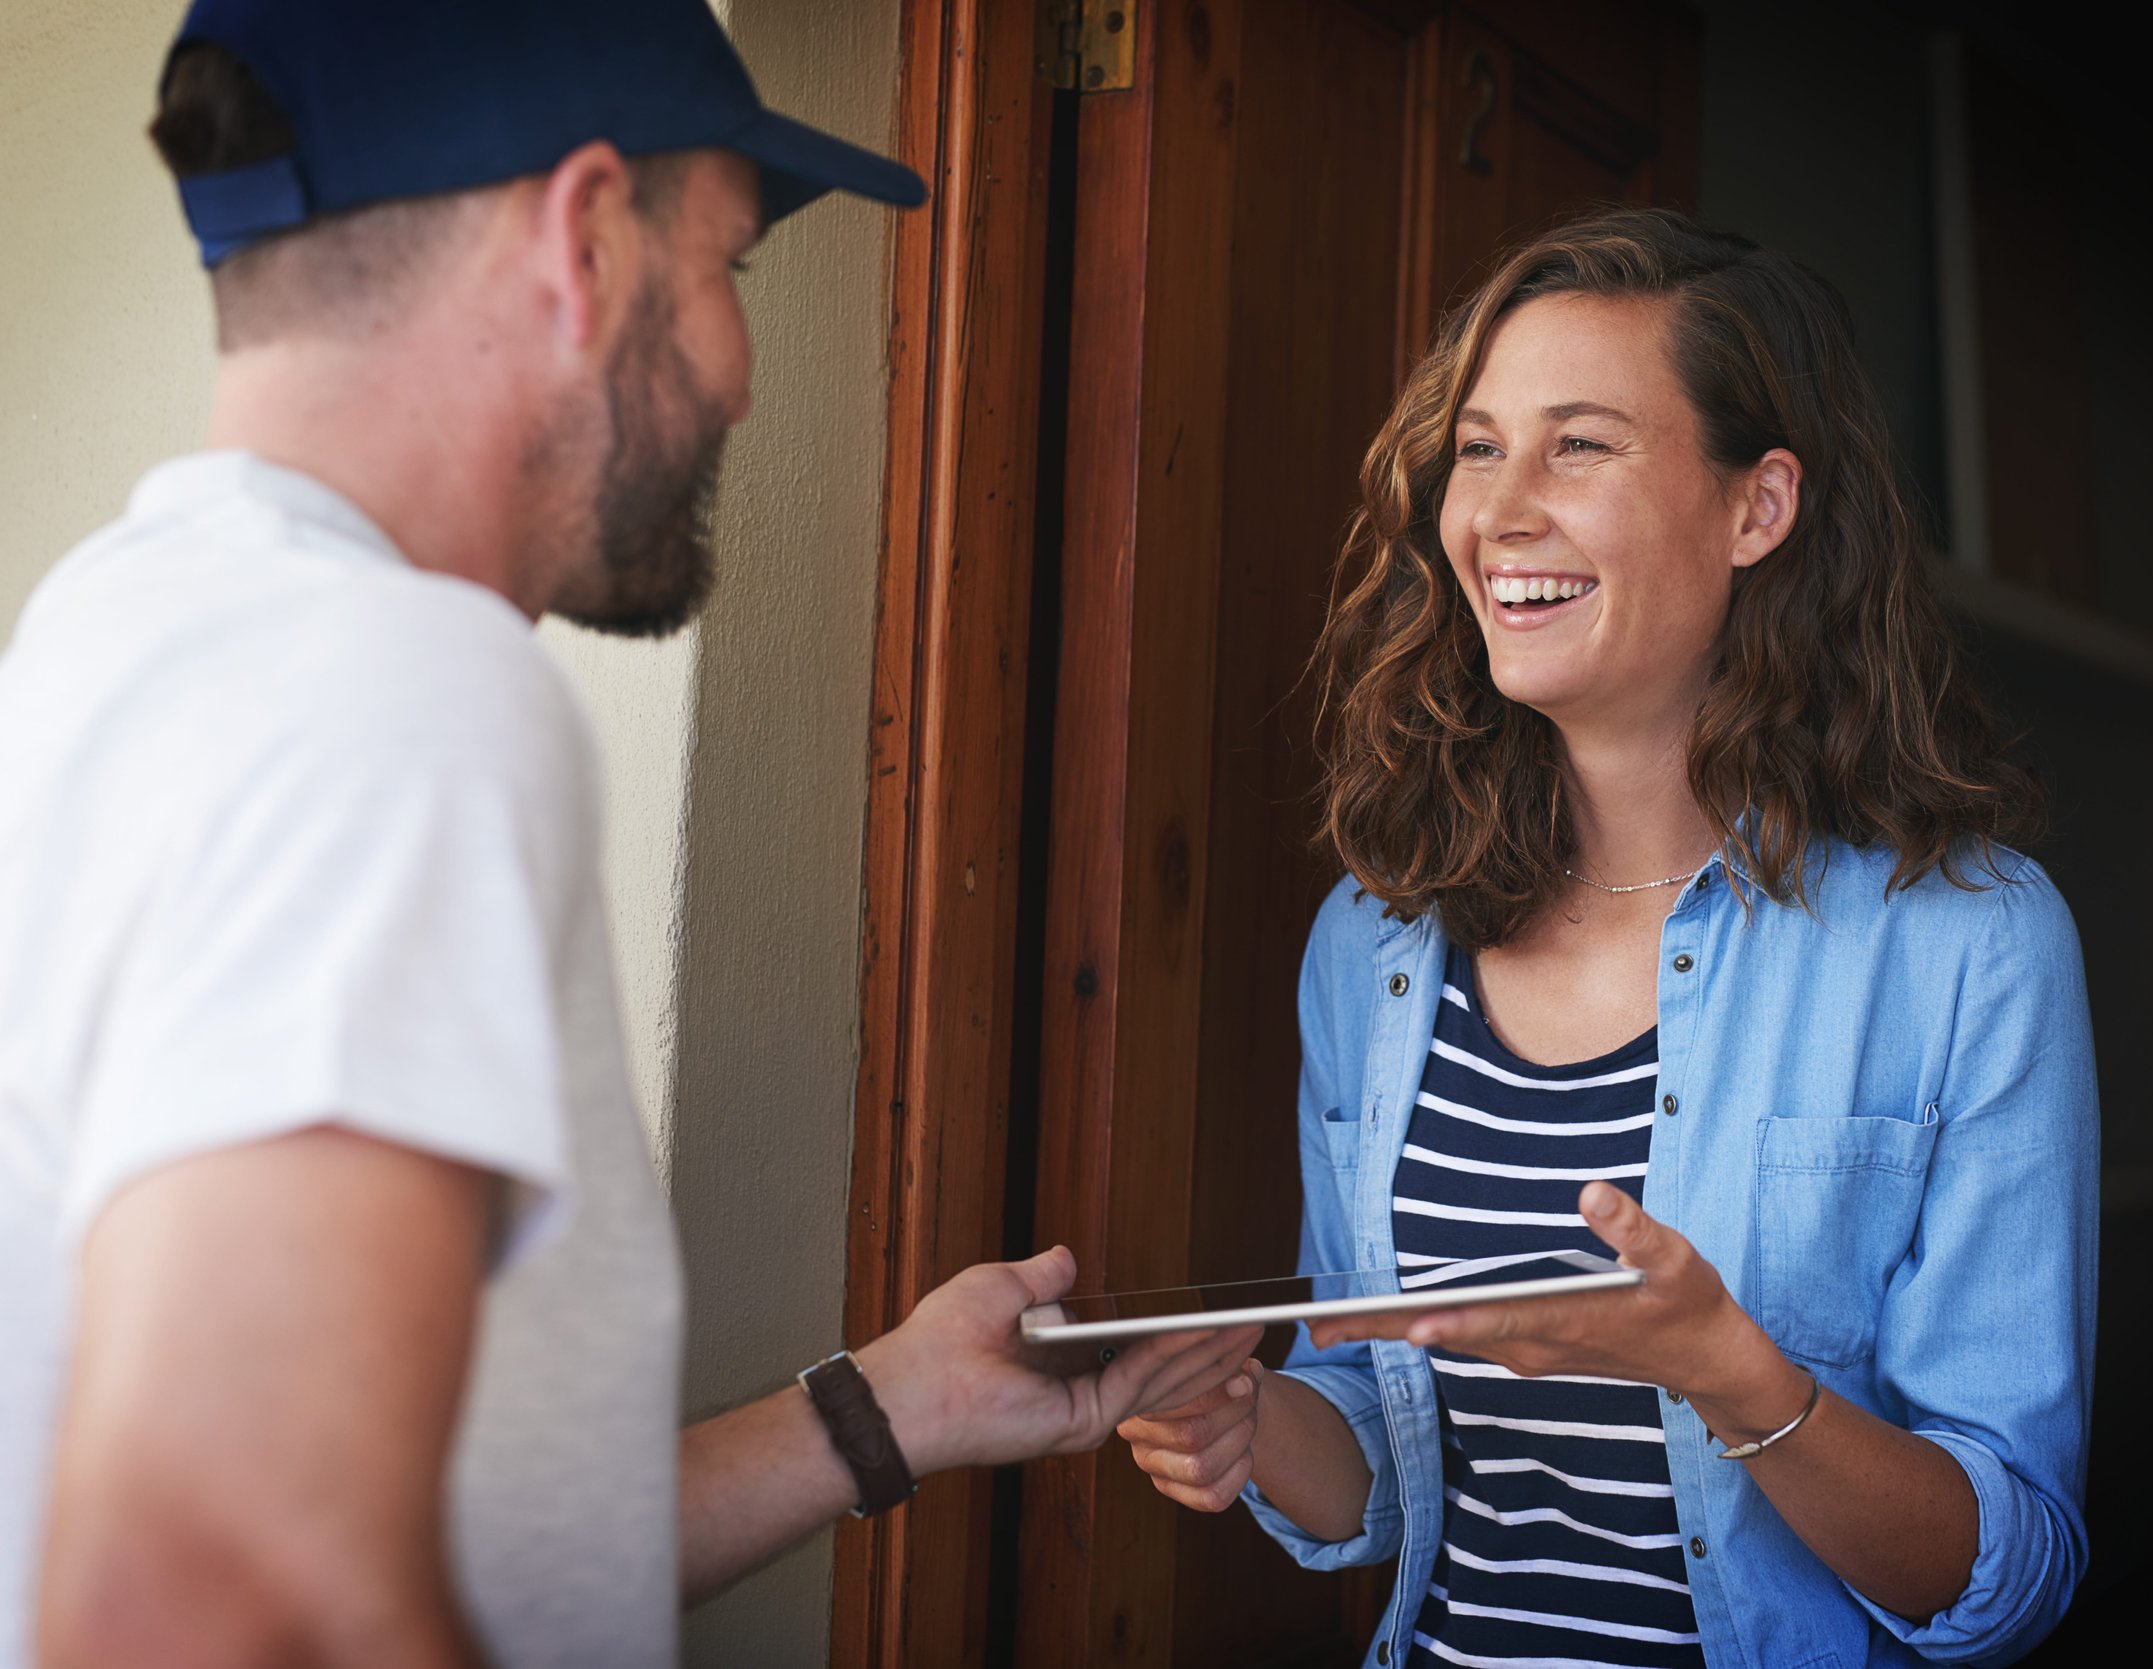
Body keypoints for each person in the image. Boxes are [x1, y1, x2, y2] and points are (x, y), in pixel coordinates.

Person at [0, 4, 1256, 1666]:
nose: (738, 373)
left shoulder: (103, 631)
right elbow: (221, 1594)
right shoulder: (395, 688)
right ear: (587, 236)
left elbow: (433, 1533)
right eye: (727, 269)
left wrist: (885, 1409)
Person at [1119, 208, 2098, 1668]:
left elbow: (2001, 1577)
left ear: (1757, 509)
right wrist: (1246, 1421)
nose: (1501, 509)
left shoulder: (1970, 947)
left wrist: (1727, 1370)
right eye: (1478, 447)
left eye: (1580, 445)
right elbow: (1379, 1448)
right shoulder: (1376, 944)